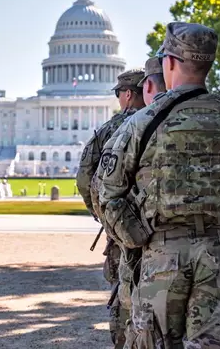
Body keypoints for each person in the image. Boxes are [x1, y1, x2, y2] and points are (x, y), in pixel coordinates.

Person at [99, 22, 220, 348]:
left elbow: (107, 192)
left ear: (169, 63)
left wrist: (137, 238)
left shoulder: (144, 121)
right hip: (219, 255)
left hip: (160, 254)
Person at [76, 68, 145, 348]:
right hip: (164, 229)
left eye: (118, 94)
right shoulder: (166, 121)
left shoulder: (110, 129)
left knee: (123, 295)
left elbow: (85, 178)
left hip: (122, 229)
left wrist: (104, 217)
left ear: (127, 94)